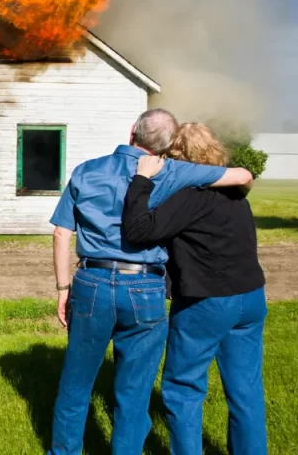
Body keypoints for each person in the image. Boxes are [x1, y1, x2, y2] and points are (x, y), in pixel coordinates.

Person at [48, 109, 254, 455]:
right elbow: (241, 175)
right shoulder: (172, 171)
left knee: (76, 383)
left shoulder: (86, 170)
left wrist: (63, 288)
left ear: (132, 131)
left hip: (92, 282)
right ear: (167, 145)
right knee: (135, 391)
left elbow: (60, 232)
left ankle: (63, 451)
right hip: (145, 286)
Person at [122, 123, 268, 455]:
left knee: (182, 388)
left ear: (176, 157)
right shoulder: (236, 195)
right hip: (251, 298)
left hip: (207, 302)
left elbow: (139, 230)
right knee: (246, 390)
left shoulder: (190, 196)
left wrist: (141, 181)